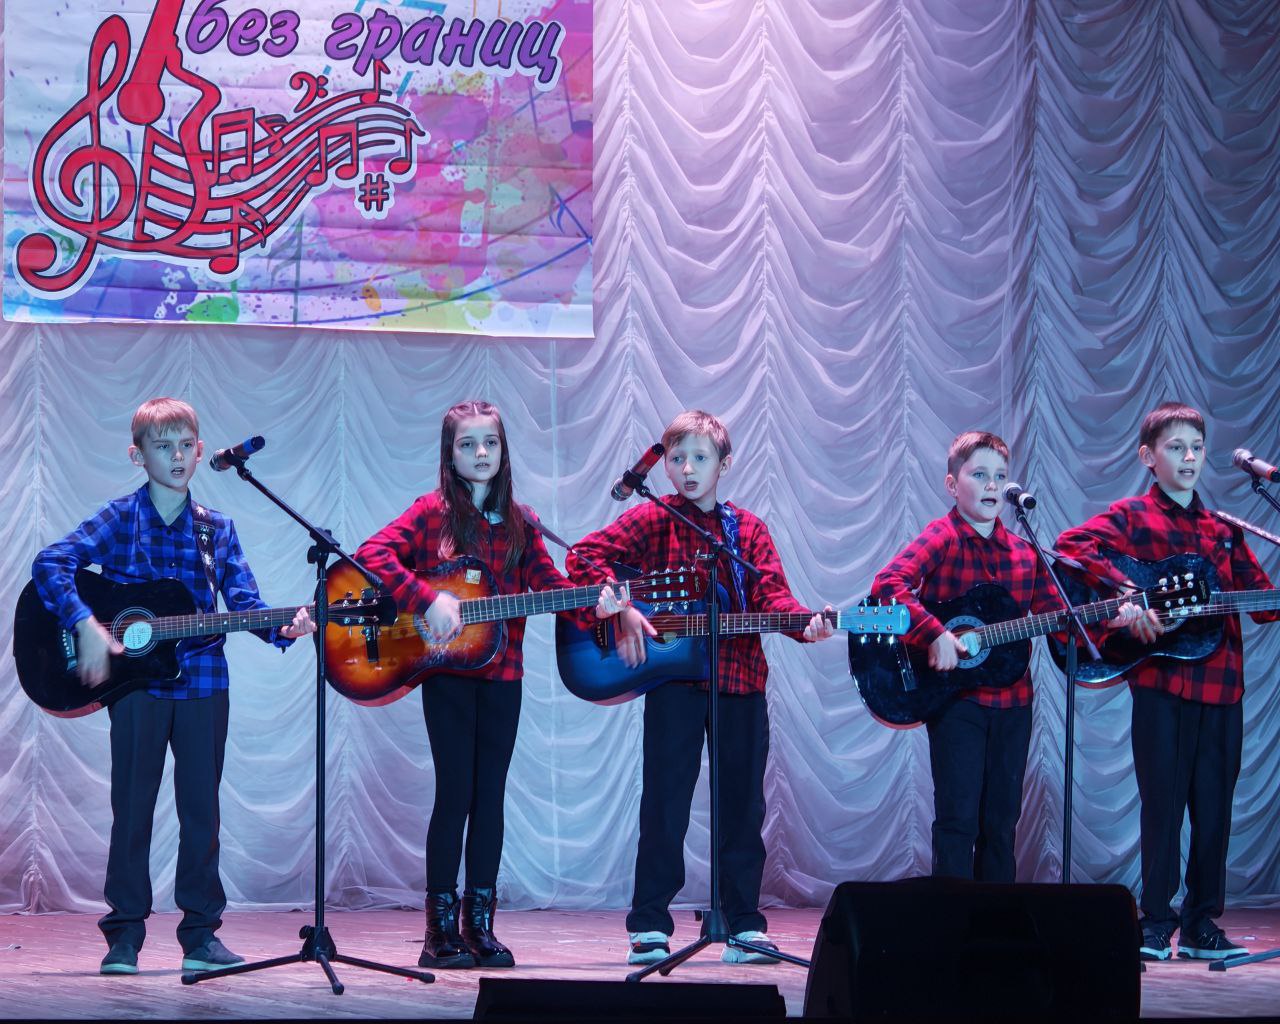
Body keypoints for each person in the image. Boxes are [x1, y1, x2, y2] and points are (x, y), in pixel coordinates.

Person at [31, 397, 315, 976]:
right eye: (163, 446)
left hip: (205, 681)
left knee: (201, 812)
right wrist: (84, 623)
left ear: (202, 451)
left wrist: (286, 627)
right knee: (131, 809)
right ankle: (124, 936)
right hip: (136, 686)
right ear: (138, 455)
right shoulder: (118, 519)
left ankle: (201, 935)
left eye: (186, 445)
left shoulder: (218, 530)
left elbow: (246, 606)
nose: (177, 455)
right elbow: (50, 563)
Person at [356, 400, 625, 970]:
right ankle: (438, 931)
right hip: (449, 675)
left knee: (491, 797)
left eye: (491, 444)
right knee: (455, 793)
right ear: (449, 454)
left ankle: (480, 924)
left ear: (504, 452)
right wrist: (428, 599)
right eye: (468, 444)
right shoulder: (430, 514)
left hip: (506, 675)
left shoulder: (521, 521)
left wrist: (596, 604)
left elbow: (550, 585)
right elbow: (371, 556)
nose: (481, 454)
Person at [566, 409, 835, 966]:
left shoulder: (749, 531)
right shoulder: (654, 519)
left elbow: (773, 599)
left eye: (700, 458)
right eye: (676, 458)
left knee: (742, 807)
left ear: (724, 464)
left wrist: (804, 623)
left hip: (740, 683)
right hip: (674, 683)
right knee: (665, 801)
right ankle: (648, 924)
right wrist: (625, 610)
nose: (687, 468)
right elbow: (581, 556)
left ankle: (742, 923)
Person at [1056, 401, 1279, 962]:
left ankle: (1203, 924)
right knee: (1162, 805)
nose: (1189, 457)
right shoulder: (1132, 516)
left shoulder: (1224, 530)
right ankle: (1155, 921)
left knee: (1214, 809)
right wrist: (1127, 596)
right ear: (1148, 457)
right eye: (1176, 447)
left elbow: (1262, 603)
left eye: (1197, 448)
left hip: (1223, 686)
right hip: (1159, 686)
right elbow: (1069, 549)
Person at [870, 431, 1091, 882]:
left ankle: (995, 928)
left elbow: (1056, 616)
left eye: (1000, 477)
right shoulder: (942, 537)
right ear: (953, 485)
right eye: (979, 475)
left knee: (1002, 820)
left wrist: (1110, 616)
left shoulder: (1026, 554)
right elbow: (887, 585)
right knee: (958, 817)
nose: (992, 486)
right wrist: (933, 633)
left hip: (1014, 703)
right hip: (958, 703)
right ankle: (951, 926)